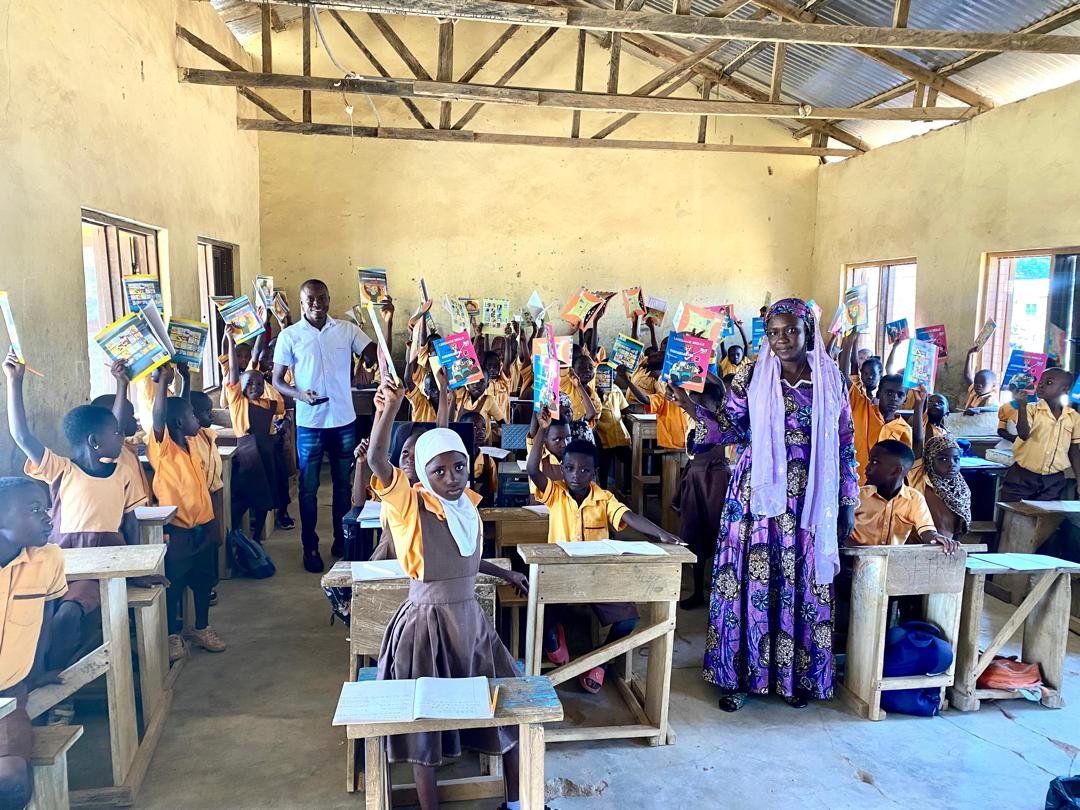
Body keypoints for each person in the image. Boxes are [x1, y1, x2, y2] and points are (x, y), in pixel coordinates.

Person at [365, 383, 528, 810]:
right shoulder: (408, 505)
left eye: (459, 467)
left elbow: (465, 560)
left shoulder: (465, 506)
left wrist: (503, 574)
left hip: (469, 621)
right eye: (439, 471)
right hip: (426, 625)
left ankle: (514, 803)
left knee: (508, 706)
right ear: (421, 473)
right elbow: (378, 461)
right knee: (426, 725)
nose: (451, 478)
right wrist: (388, 412)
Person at [696, 298, 858, 711]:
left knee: (801, 582)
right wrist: (696, 409)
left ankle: (796, 677)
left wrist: (847, 500)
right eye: (773, 332)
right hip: (757, 498)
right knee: (751, 581)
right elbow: (732, 429)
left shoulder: (829, 377)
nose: (782, 339)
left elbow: (844, 443)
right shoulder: (751, 374)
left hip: (810, 497)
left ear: (808, 331)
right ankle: (741, 677)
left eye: (791, 331)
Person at [5, 350, 142, 669]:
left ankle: (56, 684)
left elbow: (131, 524)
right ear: (95, 442)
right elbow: (22, 435)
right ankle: (38, 680)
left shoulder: (123, 470)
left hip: (102, 566)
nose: (122, 436)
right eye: (116, 434)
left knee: (67, 616)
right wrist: (14, 382)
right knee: (35, 617)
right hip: (62, 561)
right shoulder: (62, 470)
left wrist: (121, 385)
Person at [527, 414, 682, 691]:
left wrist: (660, 533)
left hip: (597, 575)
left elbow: (630, 516)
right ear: (562, 470)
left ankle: (598, 661)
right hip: (560, 575)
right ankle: (554, 639)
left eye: (585, 470)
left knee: (629, 619)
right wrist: (540, 431)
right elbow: (532, 469)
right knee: (542, 613)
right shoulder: (555, 494)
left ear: (595, 473)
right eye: (570, 468)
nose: (577, 475)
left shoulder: (604, 498)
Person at [273, 279, 372, 572]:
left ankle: (342, 541)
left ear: (329, 300)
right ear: (301, 304)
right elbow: (278, 381)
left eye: (321, 298)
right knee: (308, 488)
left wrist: (384, 322)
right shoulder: (290, 336)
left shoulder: (346, 330)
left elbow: (373, 355)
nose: (316, 304)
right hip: (310, 423)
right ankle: (310, 546)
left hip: (343, 420)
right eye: (310, 299)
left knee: (344, 485)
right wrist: (299, 395)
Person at [0, 477, 69, 810]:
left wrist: (35, 669)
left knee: (12, 778)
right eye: (34, 509)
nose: (48, 516)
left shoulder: (49, 560)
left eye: (46, 507)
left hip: (8, 697)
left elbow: (45, 616)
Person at [148, 365, 225, 660]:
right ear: (179, 422)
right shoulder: (163, 448)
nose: (198, 418)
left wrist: (185, 378)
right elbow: (160, 417)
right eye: (193, 416)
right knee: (175, 583)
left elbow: (181, 407)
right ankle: (171, 635)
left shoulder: (192, 442)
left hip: (202, 526)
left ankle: (201, 627)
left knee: (204, 581)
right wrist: (162, 384)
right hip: (177, 531)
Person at [667, 382, 731, 610]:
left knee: (719, 534)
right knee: (694, 533)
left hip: (715, 483)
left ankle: (722, 593)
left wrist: (700, 370)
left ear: (718, 404)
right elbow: (682, 401)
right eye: (695, 402)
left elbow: (719, 389)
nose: (697, 407)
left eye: (702, 402)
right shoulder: (692, 421)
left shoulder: (721, 421)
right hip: (695, 479)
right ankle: (697, 592)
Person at [224, 326, 286, 543]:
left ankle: (257, 535)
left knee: (264, 500)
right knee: (242, 498)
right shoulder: (237, 401)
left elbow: (282, 410)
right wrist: (230, 341)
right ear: (238, 386)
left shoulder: (269, 403)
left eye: (259, 384)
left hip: (265, 455)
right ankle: (234, 534)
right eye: (249, 383)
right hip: (247, 456)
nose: (254, 386)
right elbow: (233, 370)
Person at [848, 440, 959, 554]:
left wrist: (936, 538)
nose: (867, 467)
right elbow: (840, 533)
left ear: (896, 470)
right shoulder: (856, 496)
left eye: (875, 462)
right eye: (870, 461)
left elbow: (927, 532)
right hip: (853, 560)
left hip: (891, 561)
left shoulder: (914, 498)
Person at [998, 368, 1080, 502]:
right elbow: (1023, 434)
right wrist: (1022, 407)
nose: (1041, 385)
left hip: (1053, 480)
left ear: (1065, 390)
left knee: (1044, 518)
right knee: (1014, 514)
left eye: (1048, 382)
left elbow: (1074, 451)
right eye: (1040, 381)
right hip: (1022, 477)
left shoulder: (1073, 418)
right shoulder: (1031, 409)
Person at [909, 427, 971, 541]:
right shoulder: (920, 479)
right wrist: (919, 408)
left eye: (956, 459)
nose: (951, 464)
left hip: (948, 546)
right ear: (930, 460)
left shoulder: (961, 489)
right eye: (943, 459)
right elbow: (917, 439)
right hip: (919, 544)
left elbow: (959, 527)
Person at [876, 374, 912, 446]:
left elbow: (903, 456)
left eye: (900, 395)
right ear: (878, 394)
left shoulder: (905, 429)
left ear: (905, 400)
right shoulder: (865, 411)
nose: (894, 398)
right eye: (889, 393)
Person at [963, 344, 998, 413]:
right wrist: (969, 354)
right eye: (976, 382)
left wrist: (980, 409)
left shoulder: (990, 399)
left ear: (993, 386)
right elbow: (967, 375)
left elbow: (997, 409)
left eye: (983, 383)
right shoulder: (975, 392)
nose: (978, 385)